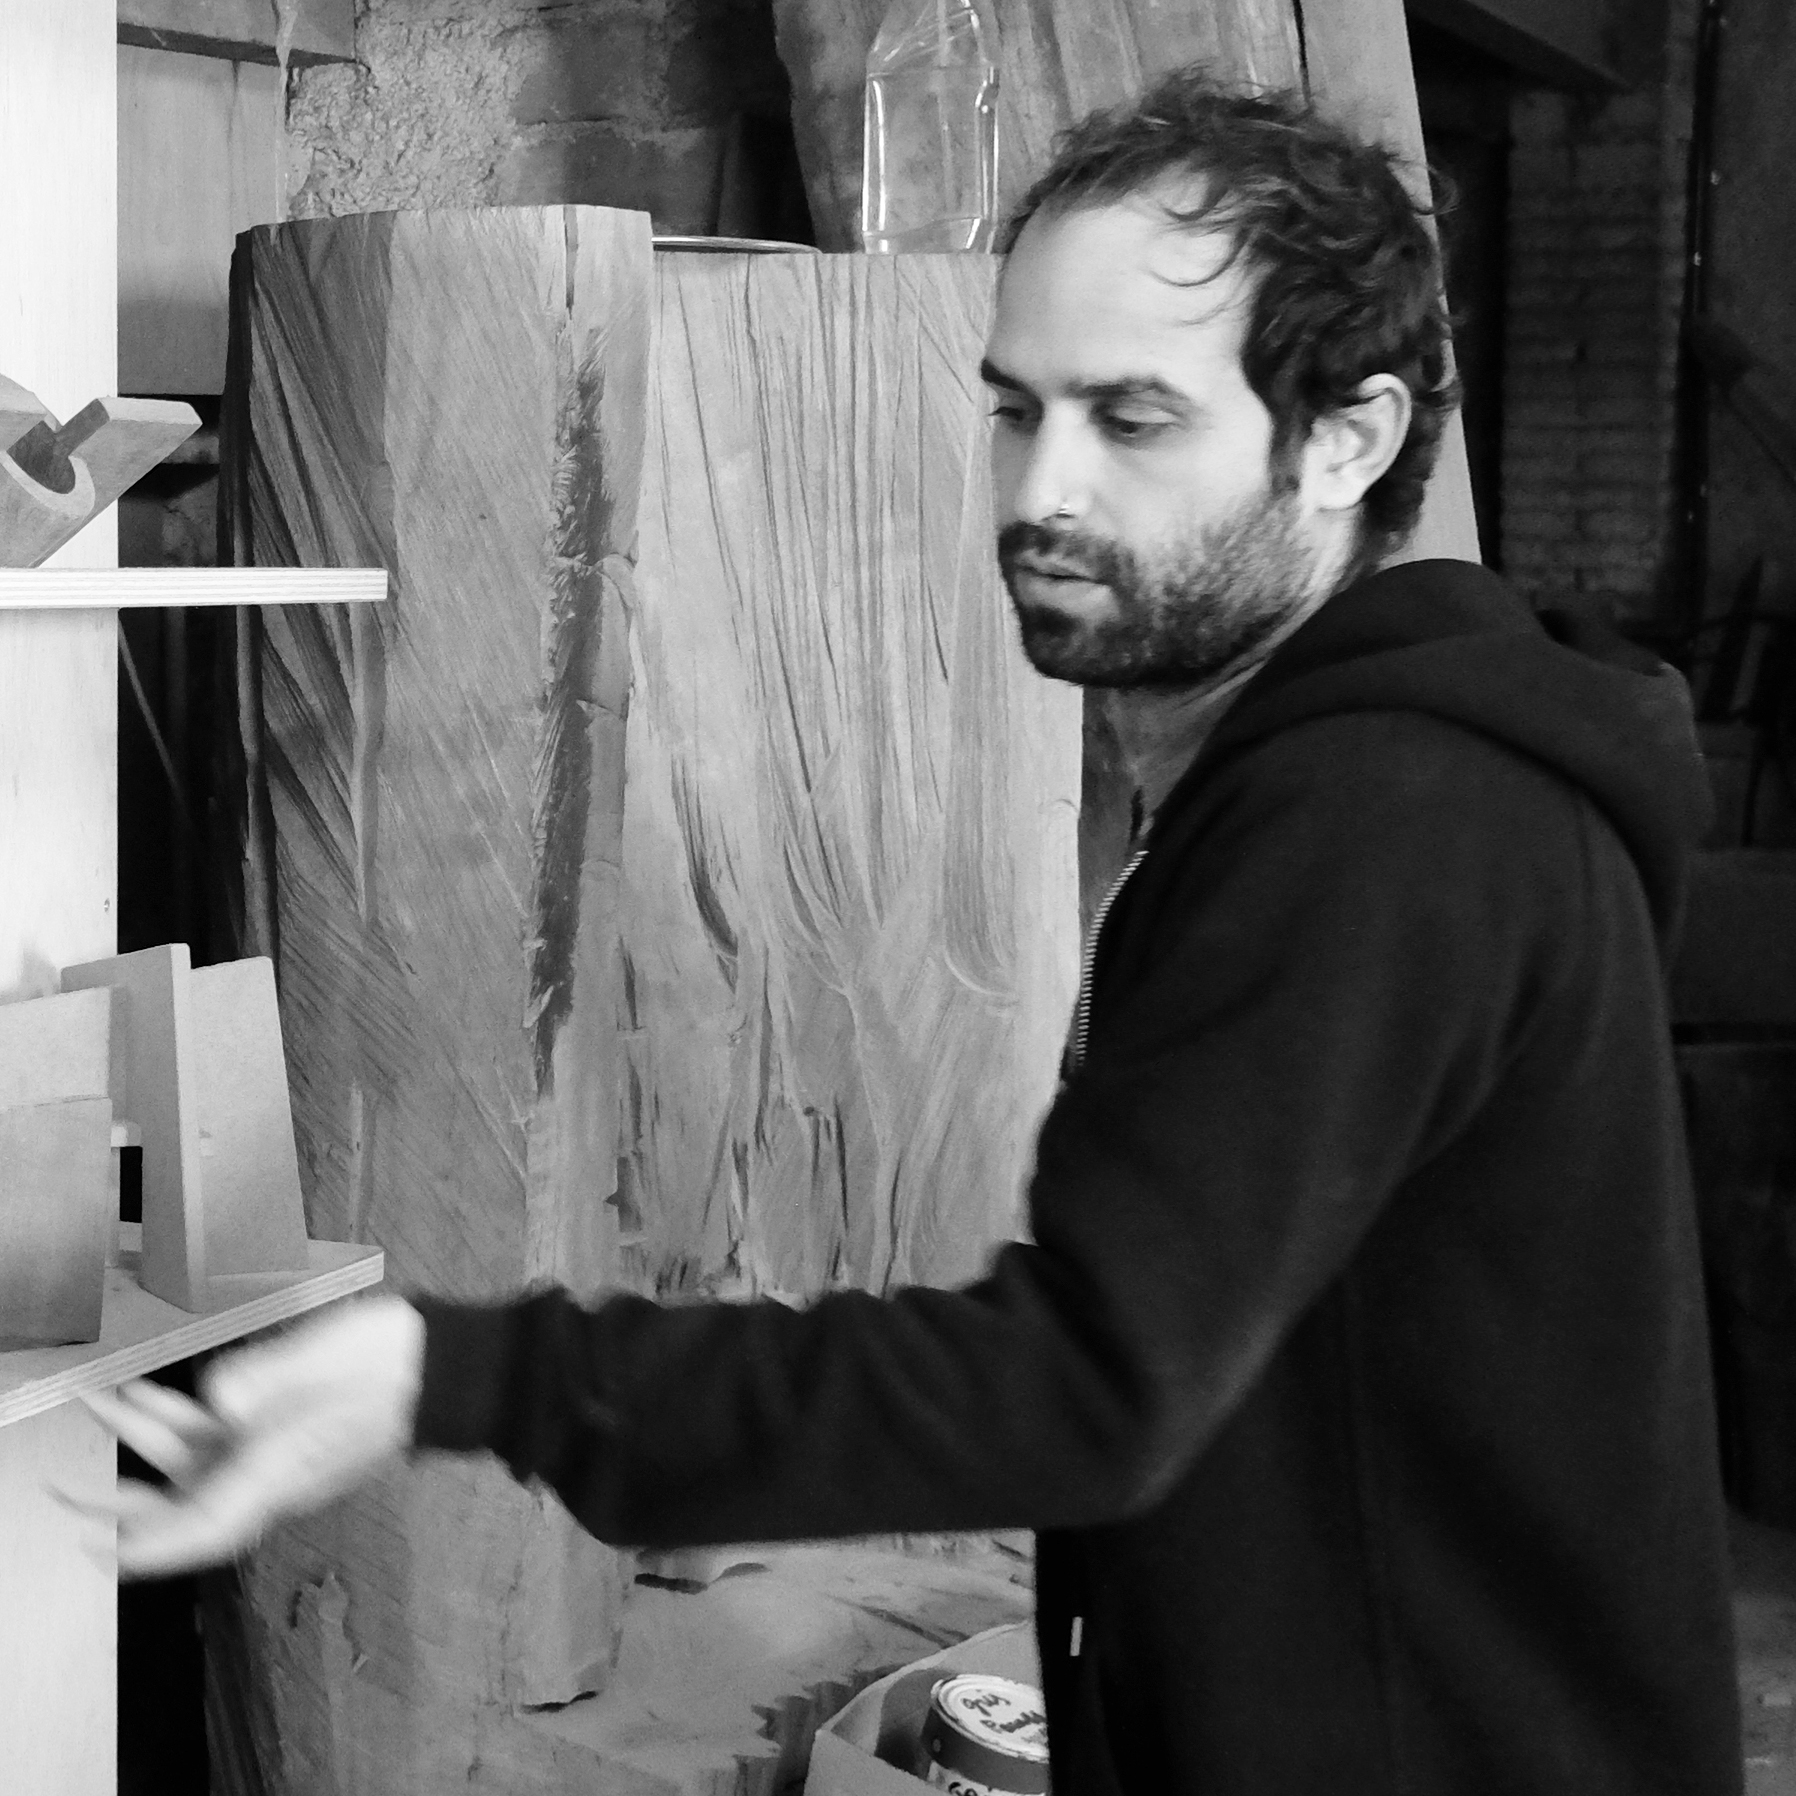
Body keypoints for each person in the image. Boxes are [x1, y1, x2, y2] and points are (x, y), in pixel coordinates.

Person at [83, 73, 1743, 1795]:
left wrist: (465, 1369)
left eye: (1134, 420)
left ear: (1348, 437)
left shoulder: (1392, 823)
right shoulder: (1333, 783)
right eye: (1017, 411)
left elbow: (1083, 1384)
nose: (1044, 490)